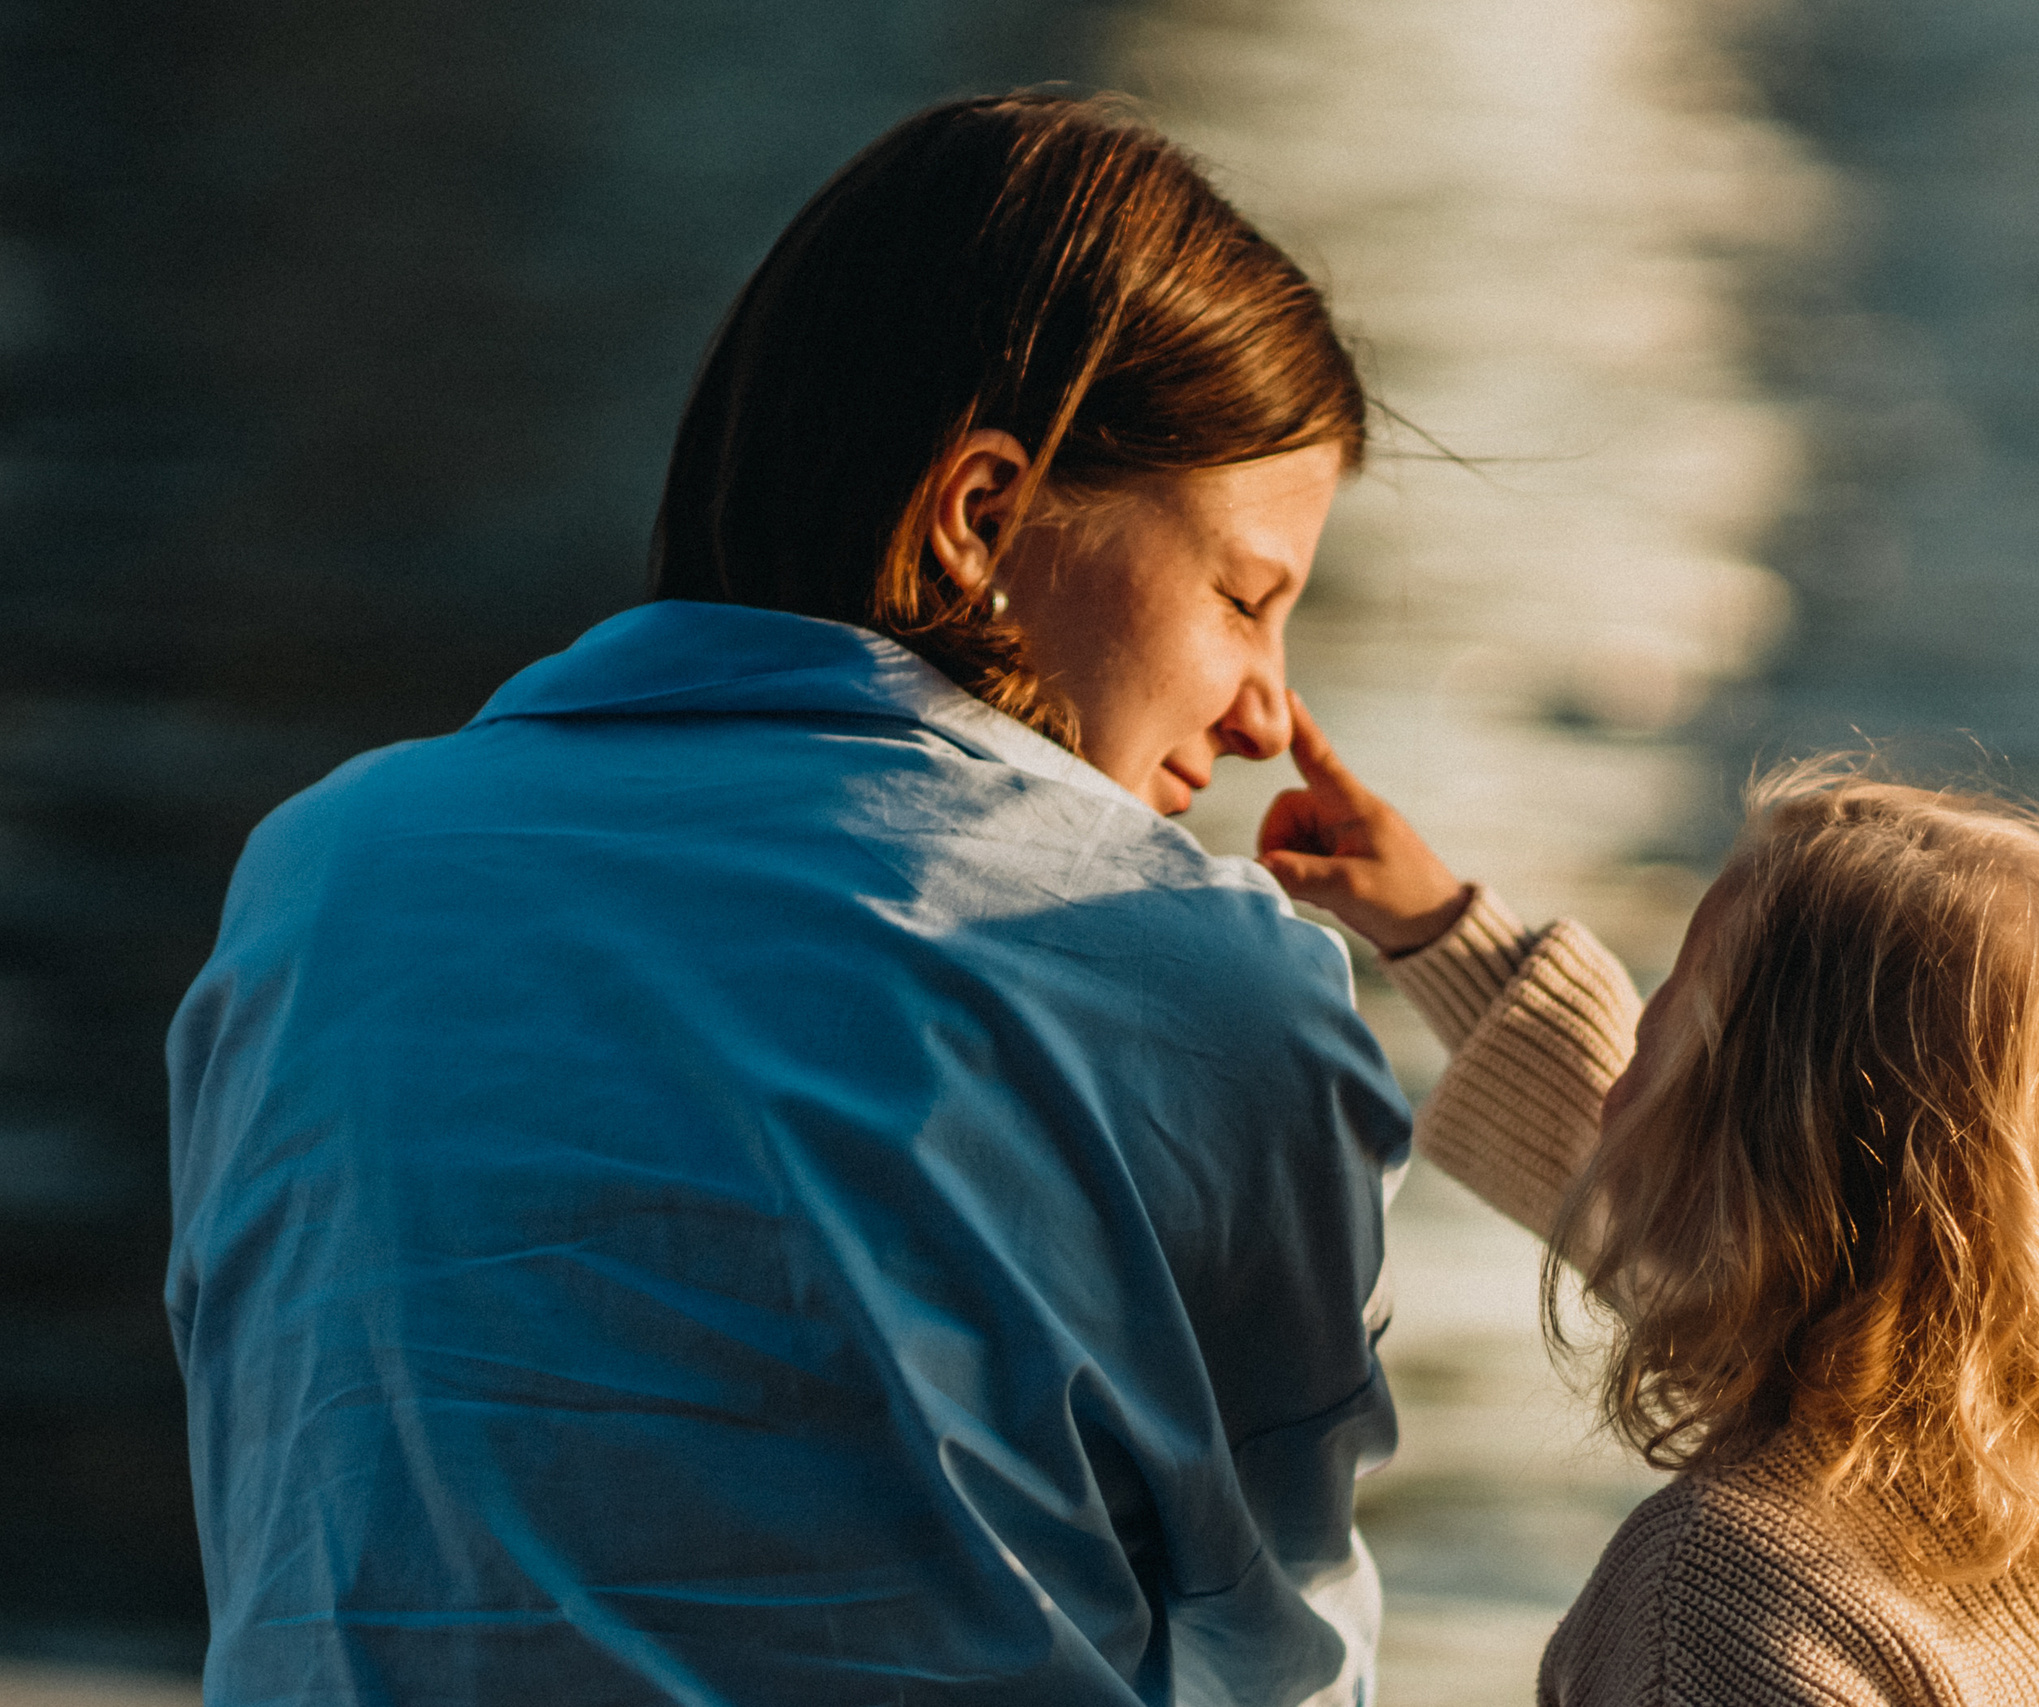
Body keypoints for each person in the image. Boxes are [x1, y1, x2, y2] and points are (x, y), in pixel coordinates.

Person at [167, 93, 1464, 1707]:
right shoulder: (1200, 980)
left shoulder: (320, 877)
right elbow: (1272, 1648)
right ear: (986, 513)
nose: (1269, 711)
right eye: (1245, 598)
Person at [1269, 751, 2039, 1705]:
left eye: (1667, 1014)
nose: (1627, 1065)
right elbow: (1670, 1196)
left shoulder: (1716, 1595)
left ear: (1756, 1175)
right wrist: (1441, 931)